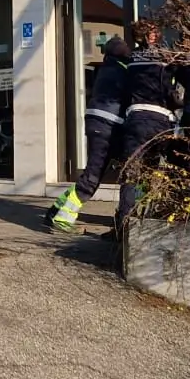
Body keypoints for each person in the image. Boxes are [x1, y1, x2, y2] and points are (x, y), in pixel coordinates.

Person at [47, 34, 129, 233]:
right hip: (108, 125)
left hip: (97, 123)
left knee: (93, 172)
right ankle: (64, 218)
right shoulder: (123, 71)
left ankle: (56, 209)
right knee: (94, 175)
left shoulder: (106, 68)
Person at [109, 22, 180, 231]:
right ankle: (148, 220)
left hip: (136, 119)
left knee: (131, 174)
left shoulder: (131, 59)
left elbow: (123, 91)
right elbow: (171, 94)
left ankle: (124, 225)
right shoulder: (164, 59)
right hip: (159, 120)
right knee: (153, 171)